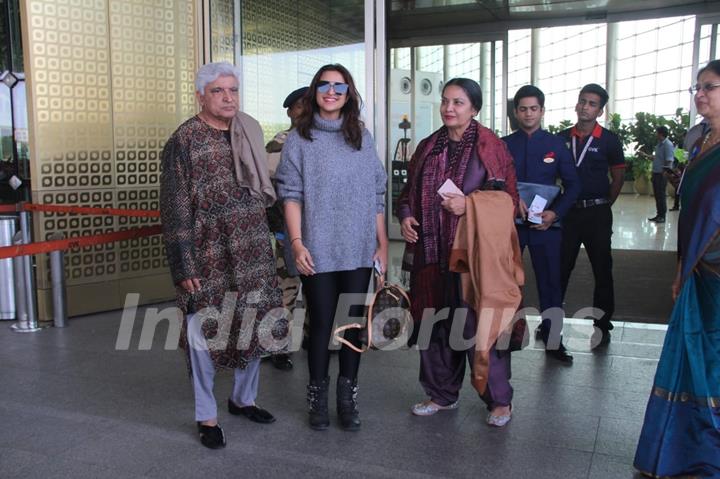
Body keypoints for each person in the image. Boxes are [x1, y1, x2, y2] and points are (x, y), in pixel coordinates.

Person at [160, 62, 283, 449]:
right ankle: (206, 415)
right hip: (208, 250)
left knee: (254, 322)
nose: (228, 97)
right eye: (218, 91)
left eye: (232, 89)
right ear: (201, 96)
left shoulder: (247, 128)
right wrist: (183, 264)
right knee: (203, 333)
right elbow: (174, 206)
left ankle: (243, 399)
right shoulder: (185, 139)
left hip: (252, 247)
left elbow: (263, 189)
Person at [396, 78, 520, 427]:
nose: (449, 108)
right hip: (431, 255)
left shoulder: (490, 147)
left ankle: (499, 401)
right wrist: (406, 216)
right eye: (446, 101)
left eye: (459, 102)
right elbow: (406, 194)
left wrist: (470, 205)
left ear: (474, 108)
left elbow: (509, 201)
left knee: (481, 326)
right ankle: (441, 394)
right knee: (434, 324)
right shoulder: (427, 147)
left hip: (474, 258)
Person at [276, 64, 388, 431]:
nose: (331, 91)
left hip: (358, 248)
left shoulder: (361, 136)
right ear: (314, 91)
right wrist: (296, 243)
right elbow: (290, 195)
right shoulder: (299, 139)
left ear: (348, 93)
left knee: (353, 325)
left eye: (339, 87)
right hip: (318, 248)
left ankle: (347, 398)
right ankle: (317, 399)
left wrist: (383, 243)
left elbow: (376, 193)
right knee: (322, 324)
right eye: (324, 85)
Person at [634, 59, 720, 478]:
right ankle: (680, 450)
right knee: (691, 356)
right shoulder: (701, 140)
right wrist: (683, 266)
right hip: (696, 268)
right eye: (698, 87)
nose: (700, 94)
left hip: (717, 272)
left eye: (710, 87)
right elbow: (692, 208)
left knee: (714, 362)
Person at [502, 85, 580, 364]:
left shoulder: (557, 145)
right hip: (511, 226)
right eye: (523, 108)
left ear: (542, 111)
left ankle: (553, 339)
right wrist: (510, 200)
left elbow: (573, 185)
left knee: (551, 283)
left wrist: (554, 214)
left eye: (534, 108)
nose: (528, 113)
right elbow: (494, 183)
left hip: (546, 227)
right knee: (505, 281)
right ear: (516, 112)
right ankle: (506, 333)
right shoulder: (504, 144)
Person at [557, 84, 625, 348]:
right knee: (560, 268)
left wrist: (605, 204)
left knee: (602, 268)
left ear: (600, 110)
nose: (585, 107)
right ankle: (551, 320)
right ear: (576, 104)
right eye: (582, 101)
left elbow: (618, 177)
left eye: (592, 103)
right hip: (569, 213)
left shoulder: (609, 140)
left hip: (597, 212)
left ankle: (603, 319)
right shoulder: (561, 138)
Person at [263, 86, 309, 371]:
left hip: (320, 231)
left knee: (319, 289)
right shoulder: (279, 144)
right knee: (285, 290)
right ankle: (277, 346)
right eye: (299, 106)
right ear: (290, 112)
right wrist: (278, 227)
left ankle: (316, 338)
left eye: (309, 104)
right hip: (289, 231)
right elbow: (267, 190)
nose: (305, 110)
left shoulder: (323, 139)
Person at [648, 126, 674, 223]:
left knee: (661, 195)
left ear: (661, 134)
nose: (656, 134)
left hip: (661, 174)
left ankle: (662, 216)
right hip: (656, 173)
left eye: (657, 132)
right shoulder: (659, 145)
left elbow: (669, 160)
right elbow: (657, 158)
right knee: (657, 195)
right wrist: (647, 156)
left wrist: (665, 172)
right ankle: (659, 214)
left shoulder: (667, 144)